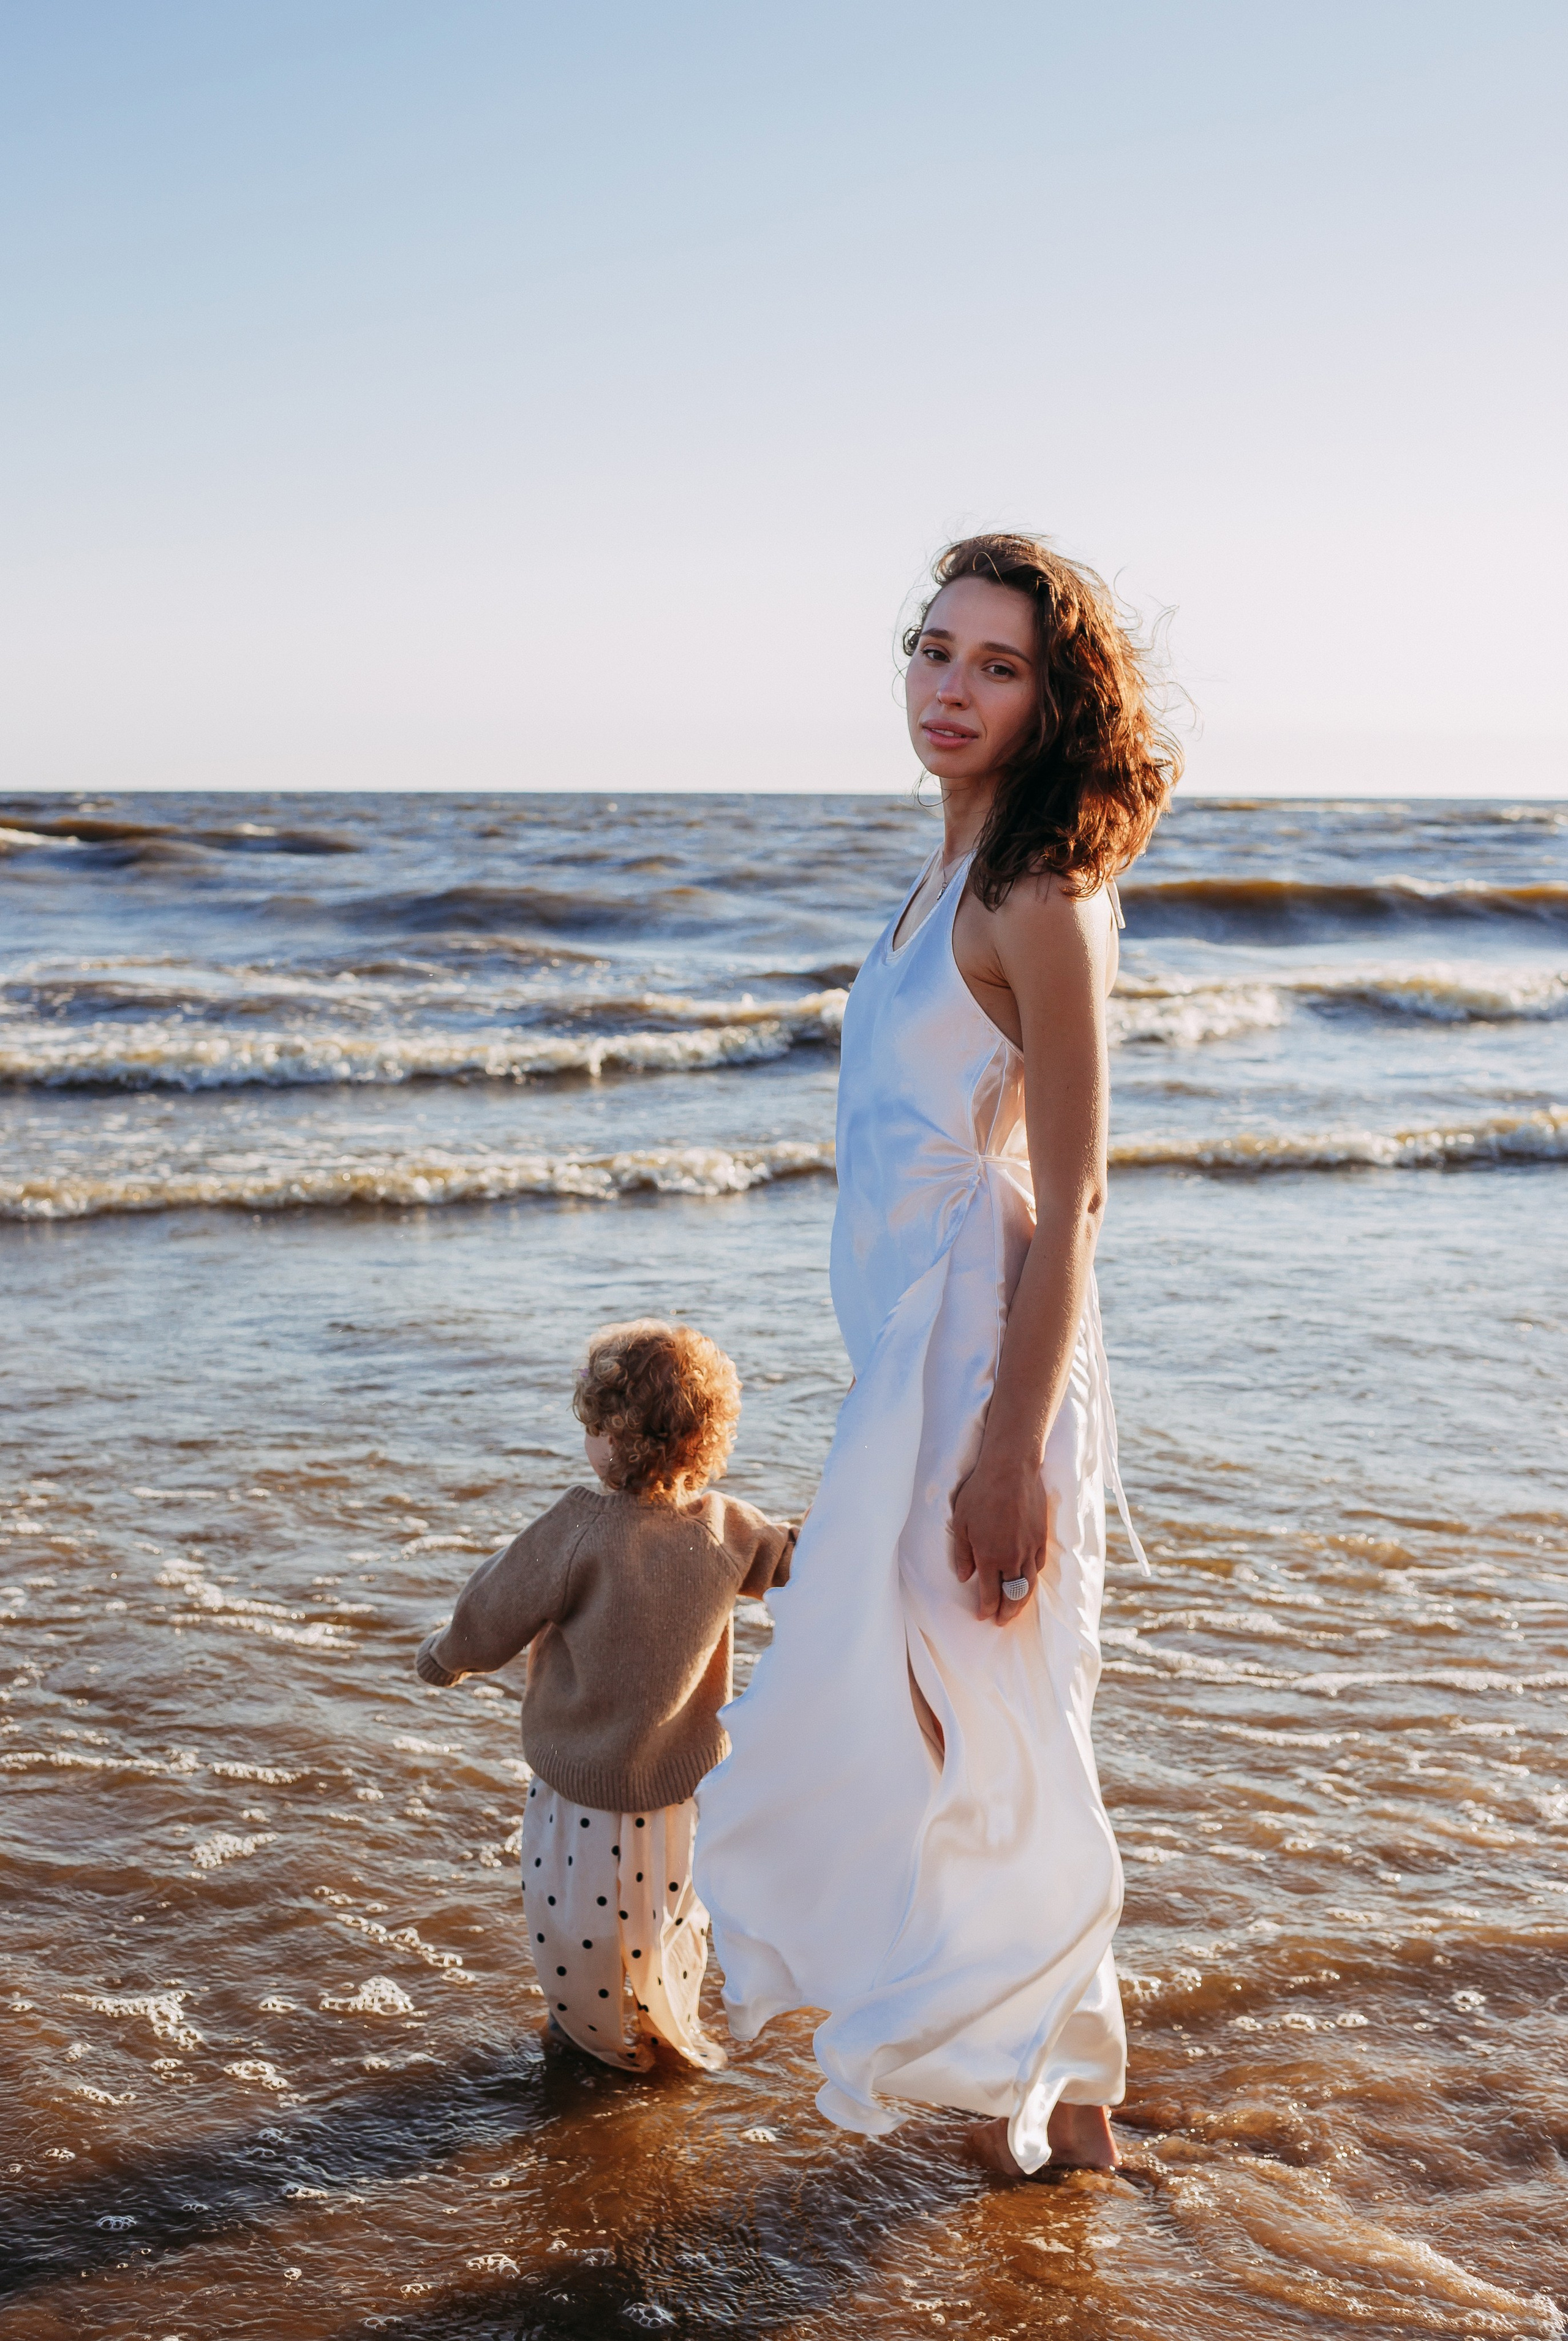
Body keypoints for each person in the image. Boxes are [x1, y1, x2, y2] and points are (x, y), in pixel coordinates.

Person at [695, 532, 1179, 2177]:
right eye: (936, 648)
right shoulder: (935, 881)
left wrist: (1003, 1444)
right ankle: (1056, 2098)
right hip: (913, 1374)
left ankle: (1053, 2124)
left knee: (994, 1733)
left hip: (985, 1384)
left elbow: (1082, 1181)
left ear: (1056, 701)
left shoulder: (1043, 894)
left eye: (999, 664)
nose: (952, 687)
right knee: (952, 1733)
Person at [415, 1318, 796, 2072]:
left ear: (615, 1436)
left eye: (593, 1425)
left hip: (581, 1787)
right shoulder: (729, 1527)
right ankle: (663, 2032)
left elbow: (493, 1608)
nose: (587, 1440)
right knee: (669, 1918)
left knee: (573, 1921)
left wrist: (444, 1657)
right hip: (680, 1789)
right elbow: (799, 1560)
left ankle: (590, 2036)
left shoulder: (577, 1526)